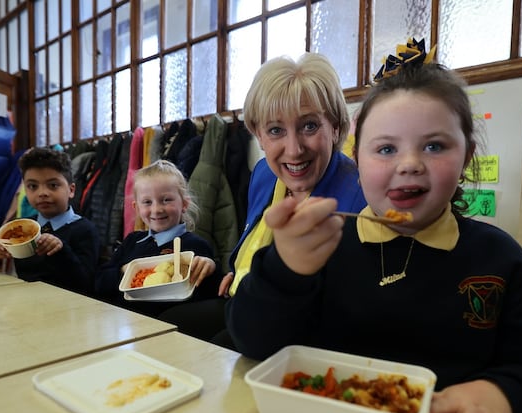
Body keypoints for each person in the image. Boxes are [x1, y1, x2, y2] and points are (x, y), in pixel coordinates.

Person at [225, 40, 522, 413]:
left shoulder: (499, 260)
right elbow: (251, 343)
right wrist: (285, 272)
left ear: (467, 155)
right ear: (356, 160)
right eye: (386, 149)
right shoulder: (322, 249)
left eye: (434, 146)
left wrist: (499, 397)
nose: (409, 163)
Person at [157, 52, 367, 342]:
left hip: (300, 327)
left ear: (335, 127)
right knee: (162, 331)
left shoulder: (361, 197)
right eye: (276, 130)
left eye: (309, 126)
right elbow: (253, 243)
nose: (294, 150)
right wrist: (239, 272)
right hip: (243, 298)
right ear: (258, 134)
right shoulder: (264, 175)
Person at [0, 147, 100, 295]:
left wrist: (60, 250)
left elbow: (86, 284)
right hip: (23, 302)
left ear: (71, 190)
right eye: (32, 186)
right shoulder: (21, 226)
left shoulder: (85, 230)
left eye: (53, 185)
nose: (42, 193)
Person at [95, 160, 221, 317]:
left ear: (184, 204)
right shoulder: (132, 241)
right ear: (137, 208)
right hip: (124, 324)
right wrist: (123, 271)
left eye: (166, 200)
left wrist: (210, 268)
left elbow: (210, 294)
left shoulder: (195, 245)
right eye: (147, 202)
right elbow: (99, 282)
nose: (156, 209)